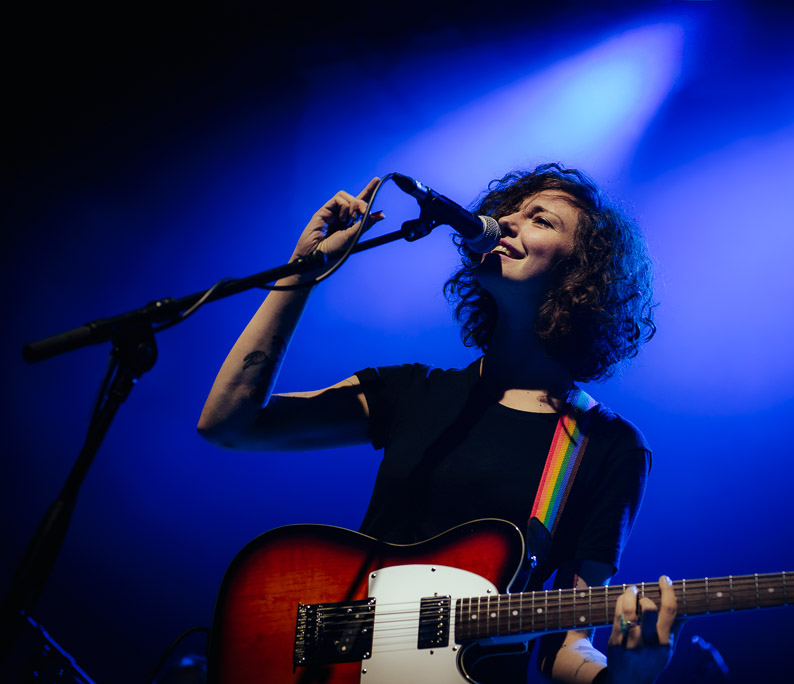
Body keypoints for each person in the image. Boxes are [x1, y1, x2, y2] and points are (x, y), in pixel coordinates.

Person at [197, 163, 683, 683]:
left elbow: (566, 647)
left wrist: (629, 674)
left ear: (583, 276)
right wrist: (302, 272)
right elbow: (231, 422)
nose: (505, 223)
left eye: (539, 219)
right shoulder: (413, 391)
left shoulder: (607, 445)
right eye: (509, 212)